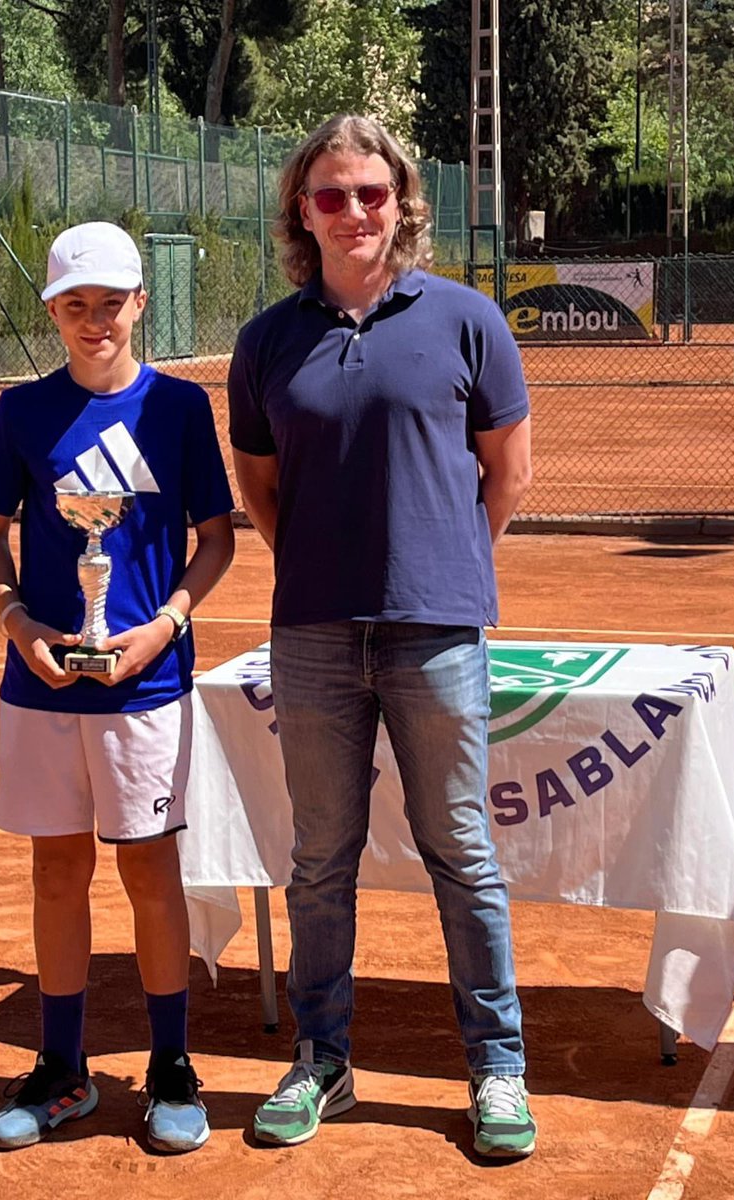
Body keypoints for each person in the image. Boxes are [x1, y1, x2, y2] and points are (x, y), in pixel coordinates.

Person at [227, 116, 535, 1158]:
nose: (352, 211)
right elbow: (260, 488)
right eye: (329, 195)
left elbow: (508, 474)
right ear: (300, 212)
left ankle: (497, 1070)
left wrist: (437, 562)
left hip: (436, 631)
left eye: (370, 193)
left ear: (403, 203)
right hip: (312, 633)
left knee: (463, 855)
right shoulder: (268, 339)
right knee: (321, 861)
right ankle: (324, 1060)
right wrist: (324, 566)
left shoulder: (466, 318)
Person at [0, 221, 235, 1153]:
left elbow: (216, 540)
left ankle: (169, 1067)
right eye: (74, 306)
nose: (94, 322)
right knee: (56, 872)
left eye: (110, 304)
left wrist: (162, 625)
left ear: (140, 304)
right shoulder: (20, 413)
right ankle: (64, 1070)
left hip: (145, 687)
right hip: (41, 683)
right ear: (53, 311)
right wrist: (20, 623)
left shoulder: (181, 409)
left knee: (149, 872)